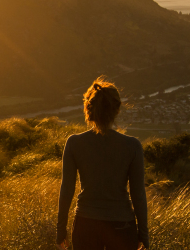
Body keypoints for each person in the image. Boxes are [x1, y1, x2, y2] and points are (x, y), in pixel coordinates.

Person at [57, 78, 149, 250]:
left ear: (88, 109)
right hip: (122, 226)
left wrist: (60, 231)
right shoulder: (132, 145)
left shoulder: (75, 143)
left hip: (86, 224)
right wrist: (144, 234)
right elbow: (138, 194)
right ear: (117, 109)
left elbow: (66, 190)